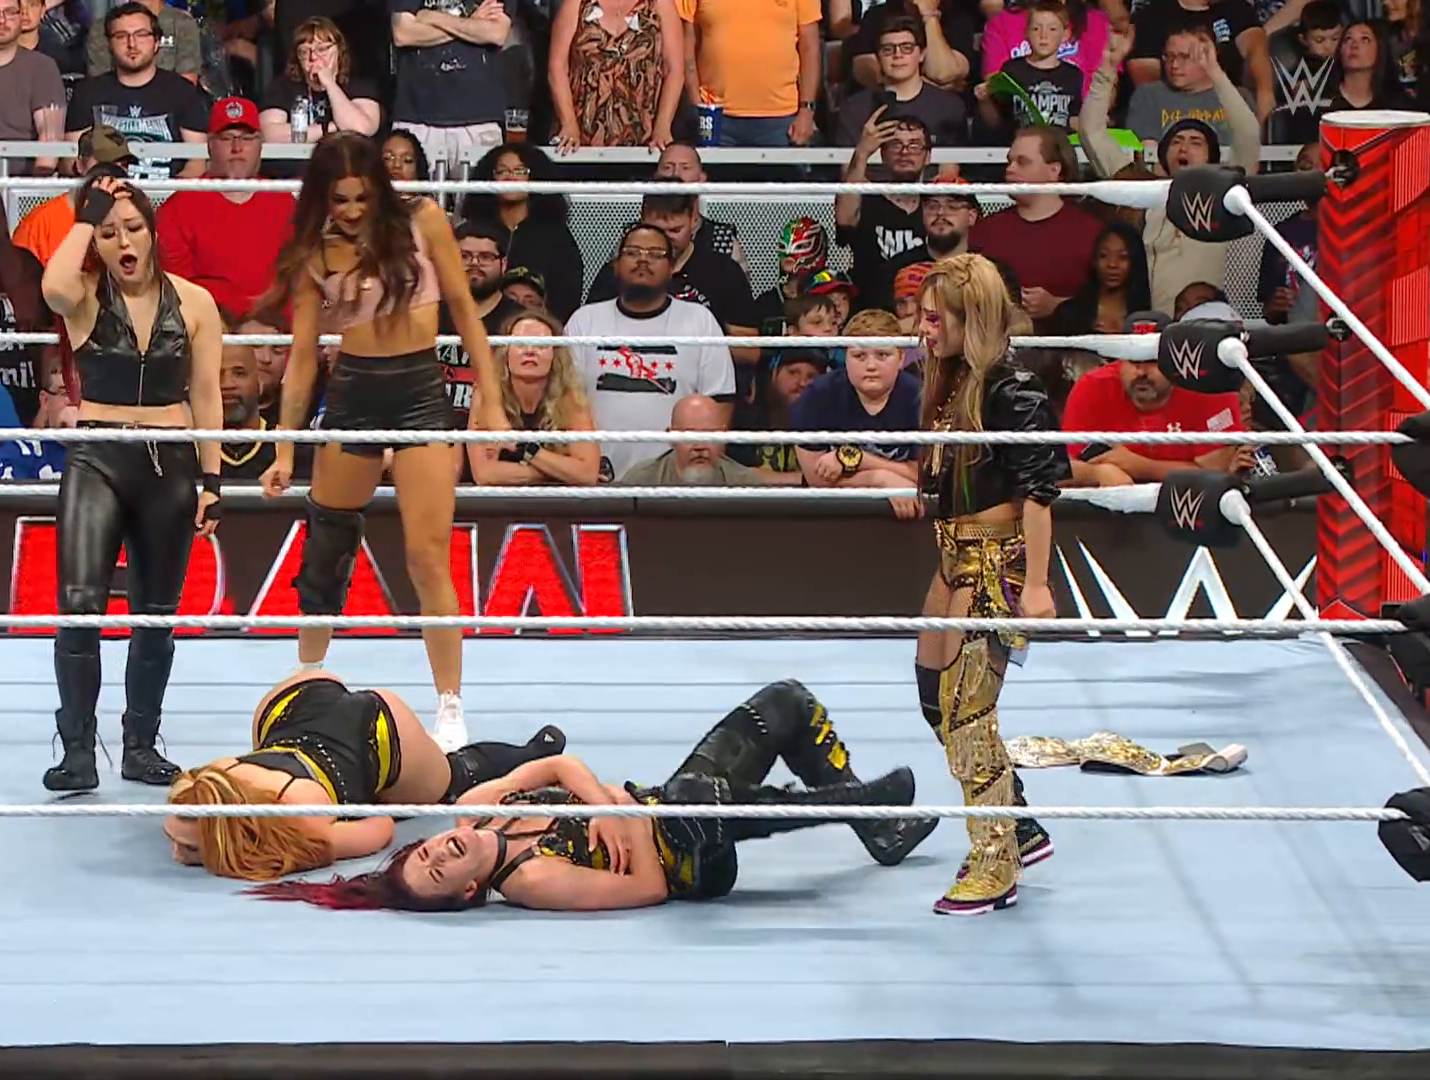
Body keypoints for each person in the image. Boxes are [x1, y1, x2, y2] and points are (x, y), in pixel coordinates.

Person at [248, 679, 938, 912]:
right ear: (468, 891)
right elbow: (649, 888)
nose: (440, 851)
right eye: (439, 872)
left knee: (783, 702)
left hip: (664, 802)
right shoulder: (534, 880)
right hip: (689, 863)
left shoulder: (478, 808)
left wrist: (602, 802)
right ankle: (857, 803)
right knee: (692, 801)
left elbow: (559, 764)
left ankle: (874, 823)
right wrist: (615, 806)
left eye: (424, 853)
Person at [260, 131, 507, 754]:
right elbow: (302, 356)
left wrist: (493, 399)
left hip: (420, 392)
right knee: (327, 547)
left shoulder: (423, 220)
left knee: (427, 555)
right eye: (338, 199)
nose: (349, 210)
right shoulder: (316, 248)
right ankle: (307, 680)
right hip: (354, 395)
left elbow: (465, 310)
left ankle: (450, 703)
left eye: (360, 197)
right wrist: (285, 449)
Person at [38, 173, 224, 794]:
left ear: (153, 234)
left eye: (134, 228)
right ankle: (77, 751)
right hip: (98, 455)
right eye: (109, 232)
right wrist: (86, 215)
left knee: (156, 614)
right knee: (79, 606)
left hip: (170, 460)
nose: (124, 241)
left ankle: (140, 746)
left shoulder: (195, 302)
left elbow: (207, 395)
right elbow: (53, 285)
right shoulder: (85, 296)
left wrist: (213, 477)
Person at [911, 252, 1068, 917]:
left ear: (968, 319)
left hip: (997, 561)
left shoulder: (1012, 389)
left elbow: (1040, 490)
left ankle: (995, 861)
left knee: (968, 712)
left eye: (933, 319)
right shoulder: (952, 383)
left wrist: (1037, 585)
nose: (921, 330)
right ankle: (1018, 821)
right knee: (934, 695)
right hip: (953, 555)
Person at [165, 668, 569, 881]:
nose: (176, 854)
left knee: (449, 781)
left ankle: (533, 756)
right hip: (293, 701)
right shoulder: (200, 783)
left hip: (375, 730)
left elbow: (380, 827)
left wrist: (349, 813)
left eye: (190, 849)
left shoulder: (298, 822)